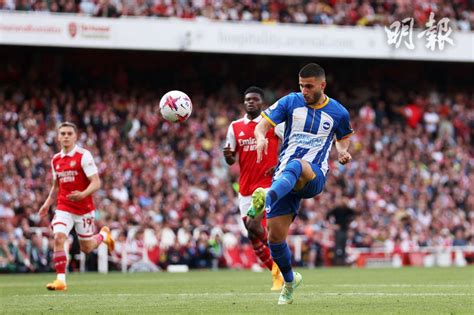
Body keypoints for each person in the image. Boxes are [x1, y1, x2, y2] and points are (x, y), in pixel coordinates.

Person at [252, 63, 354, 304]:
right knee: (274, 239)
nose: (304, 91)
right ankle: (289, 281)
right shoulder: (290, 102)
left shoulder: (338, 112)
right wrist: (259, 139)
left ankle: (266, 196)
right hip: (284, 178)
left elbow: (343, 138)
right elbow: (263, 124)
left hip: (313, 175)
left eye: (309, 86)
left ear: (322, 85)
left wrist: (342, 152)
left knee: (298, 164)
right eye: (301, 86)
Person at [38, 122, 115, 291]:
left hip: (84, 209)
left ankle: (103, 235)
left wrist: (82, 194)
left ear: (75, 136)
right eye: (63, 133)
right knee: (59, 237)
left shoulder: (83, 156)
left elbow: (96, 183)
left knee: (86, 248)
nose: (65, 136)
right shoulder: (55, 160)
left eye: (69, 133)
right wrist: (46, 204)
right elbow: (56, 187)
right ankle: (60, 280)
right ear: (58, 137)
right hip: (64, 207)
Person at [223, 86, 284, 291]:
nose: (250, 102)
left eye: (255, 99)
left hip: (267, 186)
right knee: (252, 233)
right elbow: (231, 159)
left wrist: (281, 164)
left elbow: (290, 143)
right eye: (247, 99)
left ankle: (281, 262)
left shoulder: (272, 124)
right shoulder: (235, 126)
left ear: (262, 103)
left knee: (253, 225)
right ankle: (277, 271)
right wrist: (228, 156)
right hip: (245, 189)